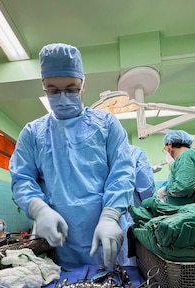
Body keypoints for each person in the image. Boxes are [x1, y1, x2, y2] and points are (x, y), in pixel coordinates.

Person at [10, 43, 135, 268]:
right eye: (53, 90)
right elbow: (22, 179)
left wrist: (110, 216)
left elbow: (122, 173)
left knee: (115, 287)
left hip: (107, 234)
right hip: (61, 243)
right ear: (43, 87)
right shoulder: (32, 133)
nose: (63, 96)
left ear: (83, 85)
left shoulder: (107, 125)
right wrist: (39, 209)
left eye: (71, 89)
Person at [157, 130, 195, 205]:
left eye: (165, 149)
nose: (166, 152)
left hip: (188, 212)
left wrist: (165, 191)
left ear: (170, 145)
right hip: (190, 210)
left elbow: (185, 187)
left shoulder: (185, 156)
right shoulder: (190, 156)